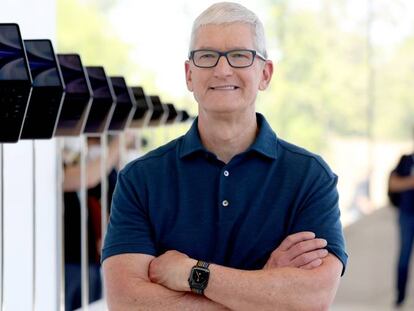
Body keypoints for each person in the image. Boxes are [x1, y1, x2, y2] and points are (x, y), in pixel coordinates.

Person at [102, 2, 348, 310]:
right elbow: (127, 302)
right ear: (189, 75)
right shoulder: (140, 179)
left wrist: (192, 273)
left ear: (265, 74)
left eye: (240, 56)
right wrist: (264, 291)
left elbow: (312, 297)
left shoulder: (309, 177)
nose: (222, 69)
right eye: (207, 56)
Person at [63, 135, 119, 310]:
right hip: (69, 262)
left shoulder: (79, 160)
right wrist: (120, 140)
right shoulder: (55, 168)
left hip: (90, 260)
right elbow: (88, 177)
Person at [389, 153, 414, 307]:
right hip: (407, 214)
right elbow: (394, 184)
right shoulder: (406, 160)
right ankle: (400, 297)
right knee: (404, 256)